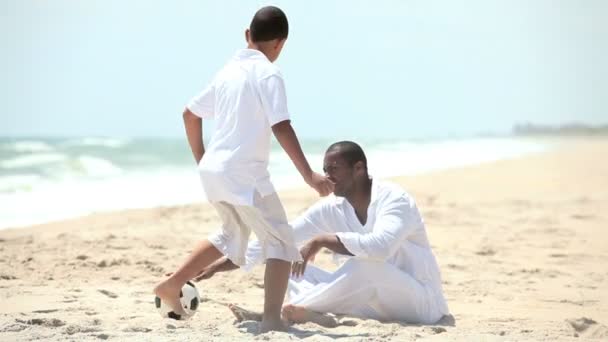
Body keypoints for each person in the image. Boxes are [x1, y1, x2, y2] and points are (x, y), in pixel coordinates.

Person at [153, 6, 334, 333]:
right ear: (280, 43)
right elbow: (281, 126)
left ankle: (173, 282)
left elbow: (189, 115)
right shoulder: (268, 73)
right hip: (244, 175)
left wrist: (203, 160)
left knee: (231, 235)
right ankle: (271, 321)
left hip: (214, 172)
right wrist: (310, 176)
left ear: (247, 35)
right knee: (280, 241)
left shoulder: (226, 73)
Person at [196, 141, 450, 327]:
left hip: (420, 304)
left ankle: (276, 313)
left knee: (365, 268)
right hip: (372, 307)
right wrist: (224, 263)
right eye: (325, 169)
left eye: (334, 169)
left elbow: (380, 248)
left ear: (359, 169)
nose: (327, 176)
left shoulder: (395, 199)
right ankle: (310, 312)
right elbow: (281, 239)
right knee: (289, 264)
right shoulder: (332, 208)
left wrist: (322, 240)